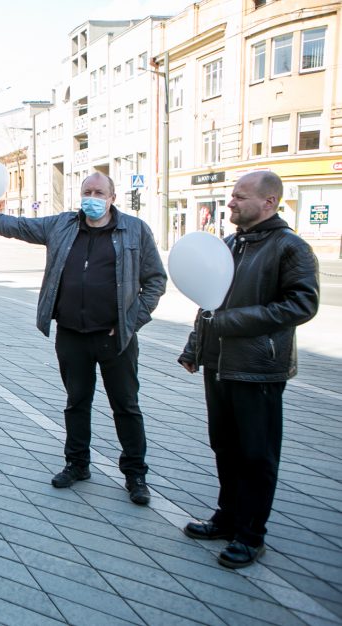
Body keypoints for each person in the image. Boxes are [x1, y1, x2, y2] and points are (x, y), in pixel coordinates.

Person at [0, 172, 166, 506]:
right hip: (71, 334)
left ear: (112, 197)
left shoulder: (135, 230)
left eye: (99, 192)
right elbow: (18, 226)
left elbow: (155, 281)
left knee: (125, 405)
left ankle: (135, 475)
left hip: (115, 337)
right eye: (86, 192)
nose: (92, 198)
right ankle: (77, 464)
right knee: (76, 402)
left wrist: (132, 321)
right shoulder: (63, 225)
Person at [178, 171, 319, 569]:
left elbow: (301, 306)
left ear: (269, 202)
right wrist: (195, 346)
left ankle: (251, 535)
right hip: (219, 365)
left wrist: (230, 324)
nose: (231, 203)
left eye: (240, 197)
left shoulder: (290, 248)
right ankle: (226, 517)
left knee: (256, 455)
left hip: (259, 369)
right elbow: (209, 302)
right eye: (231, 197)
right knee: (224, 445)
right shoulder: (230, 244)